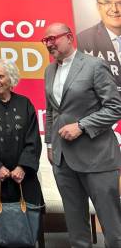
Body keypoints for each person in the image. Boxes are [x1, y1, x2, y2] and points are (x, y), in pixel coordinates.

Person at [43, 22, 121, 248]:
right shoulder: (49, 70)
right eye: (45, 41)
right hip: (62, 159)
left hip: (97, 158)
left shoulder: (94, 65)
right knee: (76, 228)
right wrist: (50, 144)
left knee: (113, 227)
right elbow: (51, 111)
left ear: (69, 37)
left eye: (52, 39)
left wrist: (82, 125)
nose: (49, 44)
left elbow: (115, 107)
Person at [0, 59, 43, 241]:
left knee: (27, 229)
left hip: (24, 178)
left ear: (10, 78)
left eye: (0, 76)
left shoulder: (25, 103)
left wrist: (22, 167)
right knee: (1, 230)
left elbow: (34, 140)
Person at [77, 0, 121, 90]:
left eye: (120, 3)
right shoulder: (82, 41)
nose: (115, 9)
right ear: (98, 7)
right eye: (107, 3)